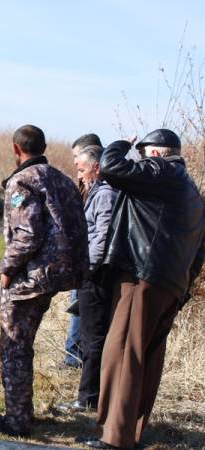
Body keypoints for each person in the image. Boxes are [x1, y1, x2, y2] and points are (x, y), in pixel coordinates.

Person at [82, 129, 205, 449]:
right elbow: (200, 250)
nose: (137, 159)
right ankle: (129, 433)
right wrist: (183, 288)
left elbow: (109, 166)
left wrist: (124, 143)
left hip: (141, 277)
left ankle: (114, 437)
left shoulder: (163, 170)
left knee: (121, 352)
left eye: (142, 154)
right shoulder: (192, 191)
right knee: (146, 359)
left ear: (154, 154)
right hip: (169, 286)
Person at [0, 125, 88, 437]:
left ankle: (17, 421)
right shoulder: (61, 179)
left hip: (28, 277)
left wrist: (8, 268)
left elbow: (27, 234)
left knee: (13, 346)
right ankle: (23, 413)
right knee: (24, 344)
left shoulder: (22, 181)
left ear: (15, 149)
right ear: (44, 146)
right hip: (55, 275)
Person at [57, 145, 118, 413]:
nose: (78, 175)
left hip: (96, 276)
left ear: (96, 167)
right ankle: (91, 396)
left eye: (81, 169)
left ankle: (87, 399)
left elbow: (101, 236)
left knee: (92, 338)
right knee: (90, 335)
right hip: (93, 273)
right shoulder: (98, 191)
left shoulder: (104, 195)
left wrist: (85, 269)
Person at [63, 133, 104, 369]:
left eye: (77, 157)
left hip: (90, 262)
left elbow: (99, 229)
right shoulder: (86, 183)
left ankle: (74, 357)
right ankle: (73, 355)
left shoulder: (102, 188)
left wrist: (88, 265)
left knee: (80, 306)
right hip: (82, 256)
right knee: (77, 306)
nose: (75, 165)